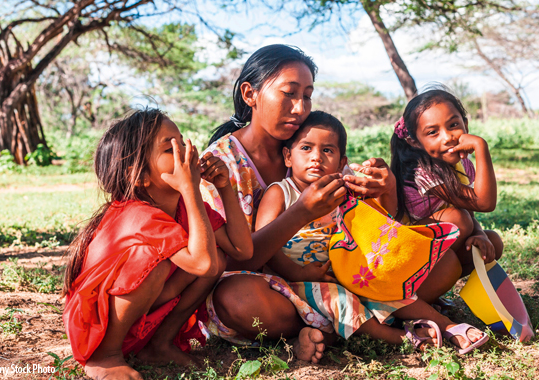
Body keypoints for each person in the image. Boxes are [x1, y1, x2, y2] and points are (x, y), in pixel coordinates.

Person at [199, 45, 481, 363]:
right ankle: (357, 323)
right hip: (270, 289)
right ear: (250, 94)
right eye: (289, 94)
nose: (299, 108)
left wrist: (384, 187)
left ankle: (333, 327)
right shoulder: (221, 163)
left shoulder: (313, 141)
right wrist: (301, 212)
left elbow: (377, 222)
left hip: (338, 275)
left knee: (444, 263)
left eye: (307, 95)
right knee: (237, 300)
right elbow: (228, 263)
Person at [255, 110, 488, 353]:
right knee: (339, 299)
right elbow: (267, 247)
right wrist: (298, 272)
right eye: (306, 148)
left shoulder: (344, 191)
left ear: (342, 163)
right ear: (287, 156)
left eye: (327, 150)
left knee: (383, 287)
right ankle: (403, 338)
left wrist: (386, 189)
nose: (316, 157)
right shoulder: (280, 193)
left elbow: (381, 223)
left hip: (346, 274)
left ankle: (449, 327)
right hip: (297, 281)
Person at [62, 109, 253, 380]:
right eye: (169, 149)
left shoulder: (185, 209)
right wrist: (190, 189)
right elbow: (203, 264)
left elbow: (241, 250)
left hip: (141, 322)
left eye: (182, 141)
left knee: (218, 257)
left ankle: (158, 345)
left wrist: (223, 187)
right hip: (95, 330)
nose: (185, 152)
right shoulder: (138, 215)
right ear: (139, 177)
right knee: (150, 260)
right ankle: (105, 357)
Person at [390, 88, 504, 305]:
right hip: (402, 255)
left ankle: (430, 292)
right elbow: (484, 202)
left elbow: (470, 207)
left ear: (465, 124)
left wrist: (479, 232)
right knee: (457, 221)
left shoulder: (460, 165)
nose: (448, 137)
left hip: (429, 250)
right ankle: (408, 303)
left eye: (453, 125)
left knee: (491, 243)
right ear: (415, 141)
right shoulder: (421, 171)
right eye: (433, 132)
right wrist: (481, 147)